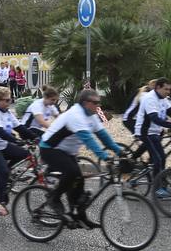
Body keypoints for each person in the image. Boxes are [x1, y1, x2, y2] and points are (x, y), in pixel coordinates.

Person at [38, 89, 124, 225]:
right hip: (50, 148)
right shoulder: (75, 114)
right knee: (72, 172)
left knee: (79, 182)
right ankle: (53, 197)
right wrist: (105, 157)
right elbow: (88, 139)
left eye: (99, 102)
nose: (98, 105)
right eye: (95, 102)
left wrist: (120, 152)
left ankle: (79, 216)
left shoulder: (92, 115)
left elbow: (104, 136)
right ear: (85, 103)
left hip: (67, 152)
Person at [132, 78, 171, 189]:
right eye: (166, 89)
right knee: (157, 159)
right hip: (145, 132)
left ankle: (158, 183)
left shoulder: (163, 99)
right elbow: (155, 119)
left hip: (155, 132)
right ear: (158, 87)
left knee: (162, 158)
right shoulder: (149, 98)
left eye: (169, 90)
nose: (168, 92)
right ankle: (157, 188)